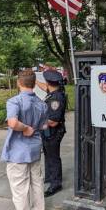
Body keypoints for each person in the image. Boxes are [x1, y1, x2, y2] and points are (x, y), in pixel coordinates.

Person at [1, 70, 48, 210]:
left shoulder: (15, 101)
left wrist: (26, 128)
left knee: (20, 190)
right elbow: (44, 126)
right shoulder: (42, 104)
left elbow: (12, 122)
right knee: (37, 183)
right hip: (35, 148)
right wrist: (33, 126)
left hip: (18, 151)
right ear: (34, 83)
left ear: (18, 83)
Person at [40, 69, 66, 197]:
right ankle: (50, 177)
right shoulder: (53, 92)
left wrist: (36, 123)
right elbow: (45, 87)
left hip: (53, 131)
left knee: (53, 157)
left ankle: (56, 184)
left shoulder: (56, 98)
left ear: (48, 82)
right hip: (47, 132)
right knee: (48, 154)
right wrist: (33, 81)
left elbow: (53, 121)